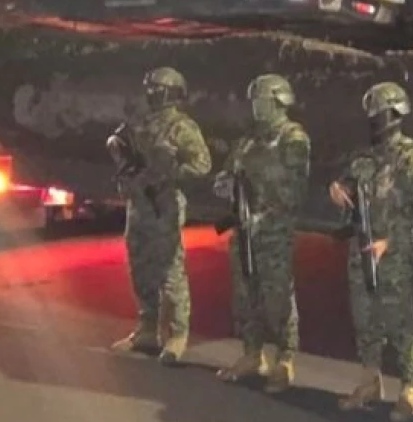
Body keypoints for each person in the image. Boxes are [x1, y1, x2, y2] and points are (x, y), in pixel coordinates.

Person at [328, 81, 413, 422]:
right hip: (361, 247)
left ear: (396, 114)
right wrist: (337, 190)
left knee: (399, 318)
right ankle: (370, 381)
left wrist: (389, 241)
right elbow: (346, 187)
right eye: (371, 112)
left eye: (379, 112)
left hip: (393, 252)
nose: (374, 118)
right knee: (364, 317)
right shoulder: (363, 158)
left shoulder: (412, 158)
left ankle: (411, 388)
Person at [212, 74, 311, 393]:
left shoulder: (292, 138)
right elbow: (228, 170)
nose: (256, 107)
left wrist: (263, 216)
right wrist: (224, 183)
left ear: (279, 102)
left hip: (274, 231)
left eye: (262, 100)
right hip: (244, 230)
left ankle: (285, 358)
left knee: (277, 295)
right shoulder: (247, 141)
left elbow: (295, 190)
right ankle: (252, 353)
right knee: (244, 294)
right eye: (254, 101)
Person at [108, 66, 211, 365]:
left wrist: (168, 173)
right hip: (139, 204)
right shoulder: (141, 122)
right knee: (139, 266)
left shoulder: (182, 127)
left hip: (164, 204)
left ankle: (177, 334)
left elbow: (202, 165)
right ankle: (147, 328)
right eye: (149, 87)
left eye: (158, 88)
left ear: (172, 93)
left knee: (169, 269)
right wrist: (128, 174)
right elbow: (122, 150)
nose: (151, 93)